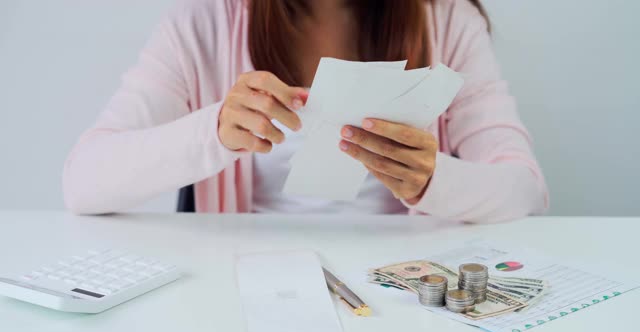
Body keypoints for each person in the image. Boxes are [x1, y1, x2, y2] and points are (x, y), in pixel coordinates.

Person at [63, 0, 548, 223]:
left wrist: (432, 180)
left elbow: (524, 188)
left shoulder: (448, 20)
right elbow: (82, 182)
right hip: (245, 280)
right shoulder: (202, 23)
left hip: (402, 285)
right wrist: (215, 132)